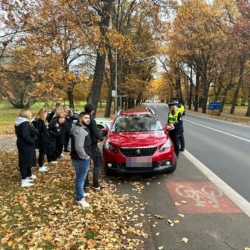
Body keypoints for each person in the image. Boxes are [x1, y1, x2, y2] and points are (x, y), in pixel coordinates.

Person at [70, 112, 92, 207]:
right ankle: (80, 198)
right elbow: (79, 147)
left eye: (89, 118)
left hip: (79, 158)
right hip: (80, 159)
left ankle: (81, 193)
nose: (88, 119)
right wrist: (85, 156)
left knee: (81, 179)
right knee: (80, 179)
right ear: (80, 119)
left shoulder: (79, 128)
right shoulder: (79, 131)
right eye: (86, 118)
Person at [15, 108, 39, 187]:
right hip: (25, 144)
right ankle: (24, 180)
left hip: (22, 143)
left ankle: (28, 175)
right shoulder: (24, 123)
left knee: (27, 160)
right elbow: (25, 135)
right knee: (25, 161)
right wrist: (32, 141)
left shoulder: (19, 122)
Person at [84, 103, 104, 190]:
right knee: (98, 162)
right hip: (92, 145)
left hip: (83, 145)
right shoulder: (91, 120)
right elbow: (96, 132)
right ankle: (95, 184)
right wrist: (101, 137)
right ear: (92, 111)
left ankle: (86, 183)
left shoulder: (81, 119)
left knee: (86, 164)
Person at [32, 108, 49, 172]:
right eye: (46, 114)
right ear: (43, 114)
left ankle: (41, 164)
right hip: (41, 139)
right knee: (42, 152)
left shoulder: (37, 121)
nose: (46, 115)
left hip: (41, 139)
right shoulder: (39, 122)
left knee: (42, 152)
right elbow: (38, 131)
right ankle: (40, 166)